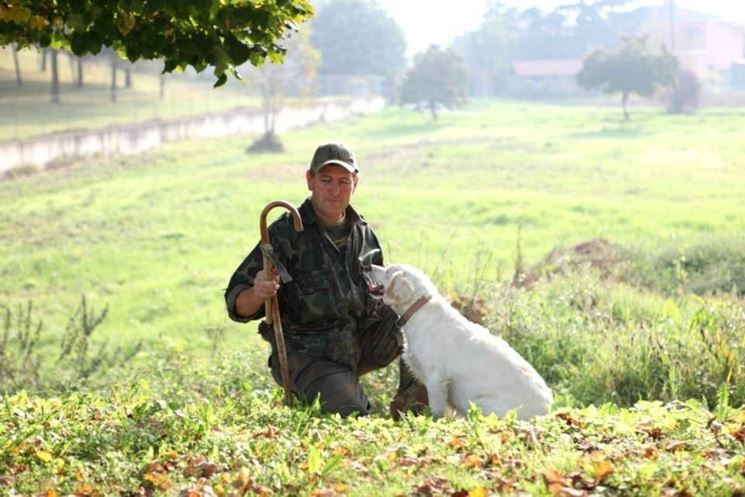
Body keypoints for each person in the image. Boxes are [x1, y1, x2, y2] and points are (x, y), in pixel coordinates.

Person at [225, 143, 427, 417]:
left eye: (344, 181)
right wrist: (258, 292)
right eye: (326, 180)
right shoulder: (285, 233)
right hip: (308, 357)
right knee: (355, 418)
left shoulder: (363, 233)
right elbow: (237, 305)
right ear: (310, 180)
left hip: (357, 344)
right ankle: (339, 396)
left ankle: (412, 412)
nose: (335, 190)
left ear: (355, 183)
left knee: (420, 317)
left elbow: (382, 295)